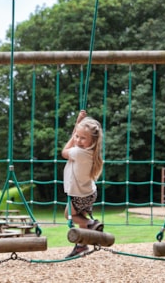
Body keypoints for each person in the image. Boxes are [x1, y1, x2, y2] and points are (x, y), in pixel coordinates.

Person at [62, 110, 104, 258]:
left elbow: (64, 152)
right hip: (89, 193)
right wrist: (79, 123)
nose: (78, 140)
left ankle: (92, 223)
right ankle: (81, 246)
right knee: (80, 219)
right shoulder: (90, 152)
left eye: (83, 138)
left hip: (80, 195)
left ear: (92, 141)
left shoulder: (79, 153)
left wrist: (77, 124)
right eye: (77, 137)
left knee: (68, 214)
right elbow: (76, 139)